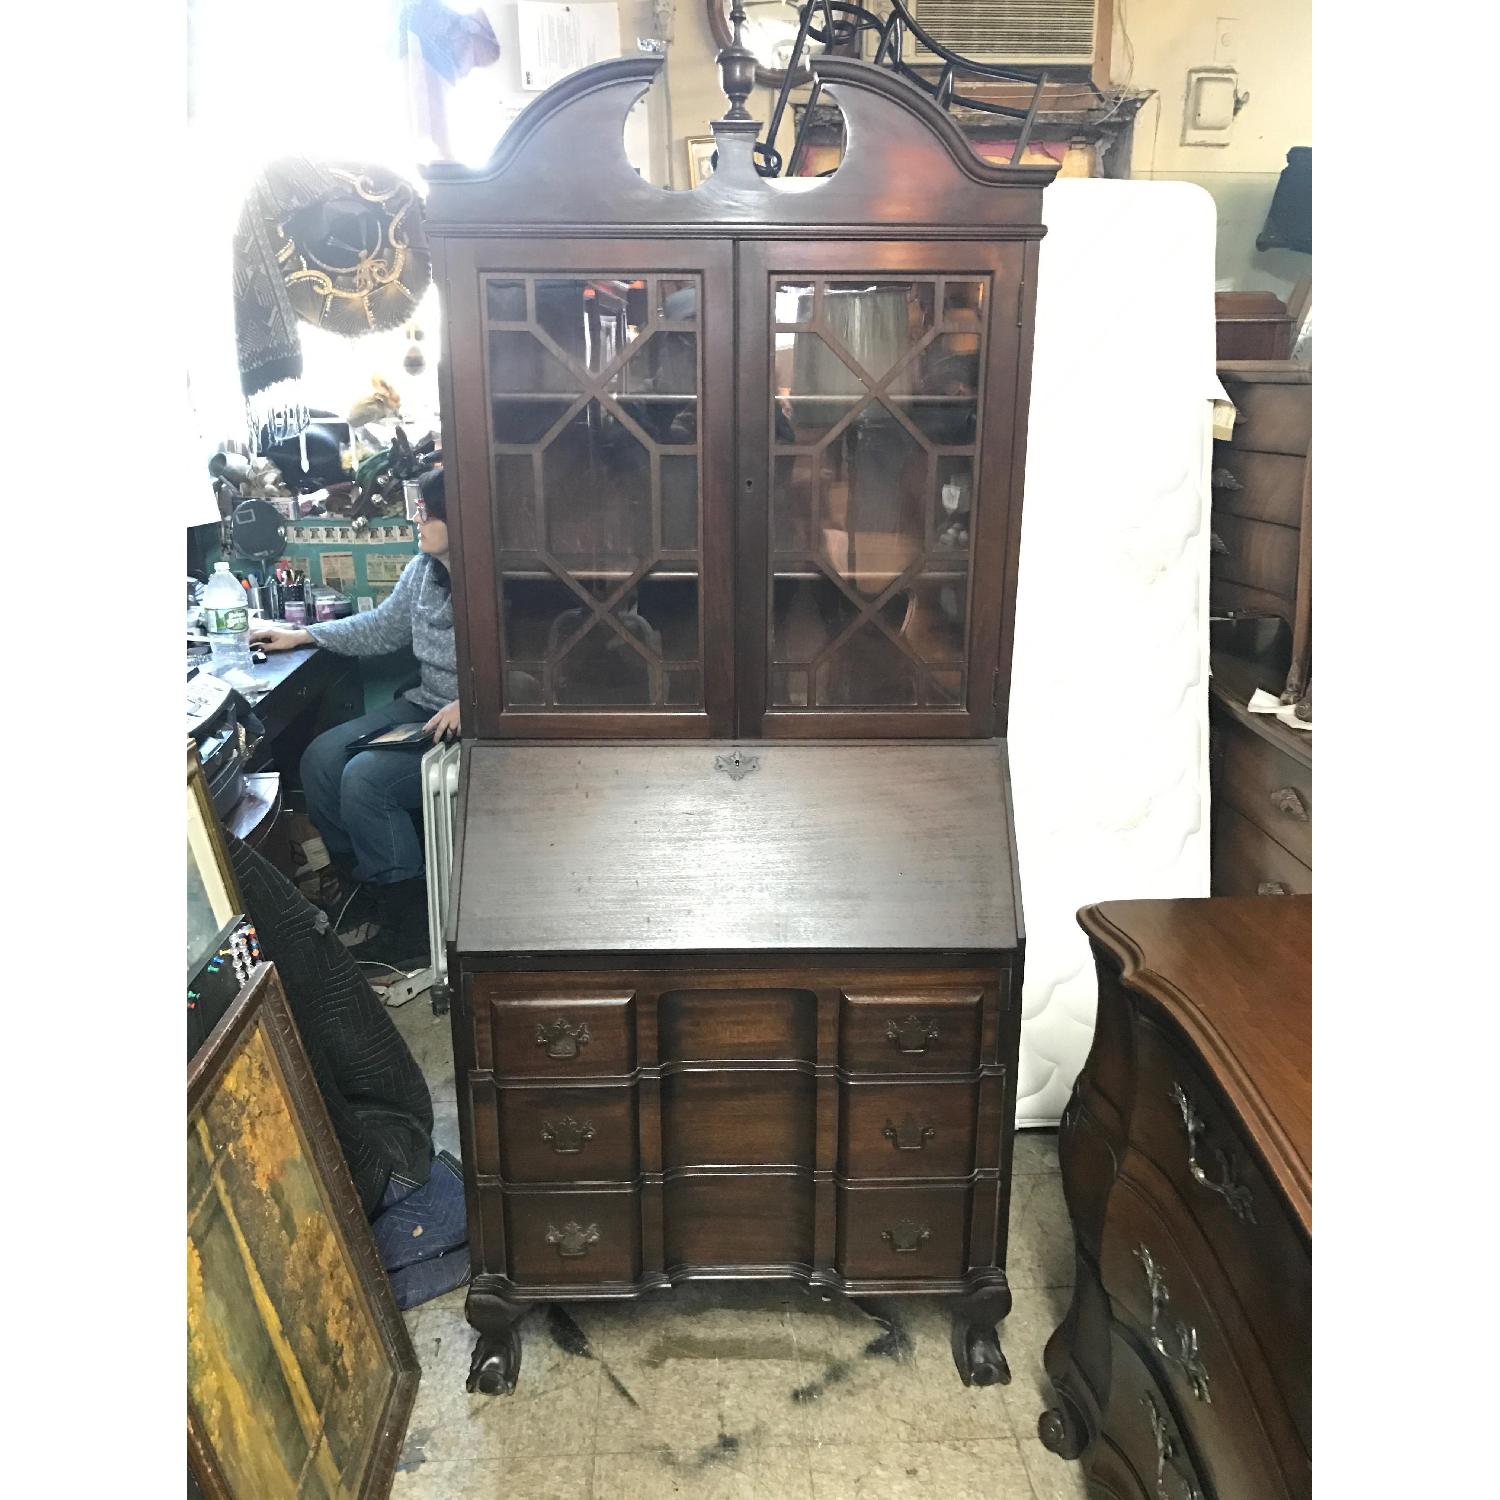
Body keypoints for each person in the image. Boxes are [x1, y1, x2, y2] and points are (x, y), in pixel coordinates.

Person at [251, 466, 457, 968]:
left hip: (473, 718)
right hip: (426, 703)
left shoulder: (503, 578)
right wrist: (304, 635)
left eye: (426, 512)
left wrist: (474, 700)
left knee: (367, 780)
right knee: (321, 759)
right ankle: (367, 887)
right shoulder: (422, 572)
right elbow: (381, 628)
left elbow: (531, 663)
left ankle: (408, 925)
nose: (416, 519)